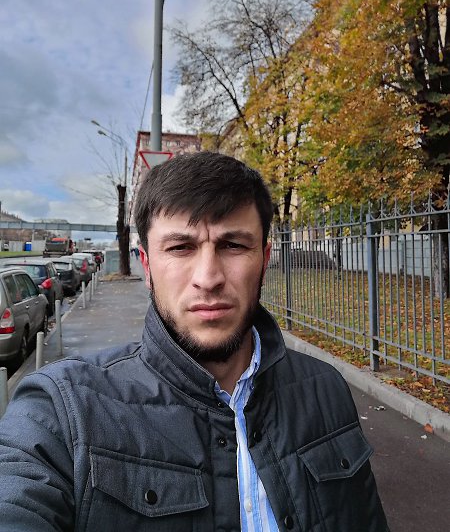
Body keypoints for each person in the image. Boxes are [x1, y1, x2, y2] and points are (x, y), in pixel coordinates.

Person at [0, 152, 389, 531]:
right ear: (147, 266)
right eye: (180, 248)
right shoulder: (64, 411)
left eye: (233, 245)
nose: (208, 277)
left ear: (265, 259)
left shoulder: (327, 391)